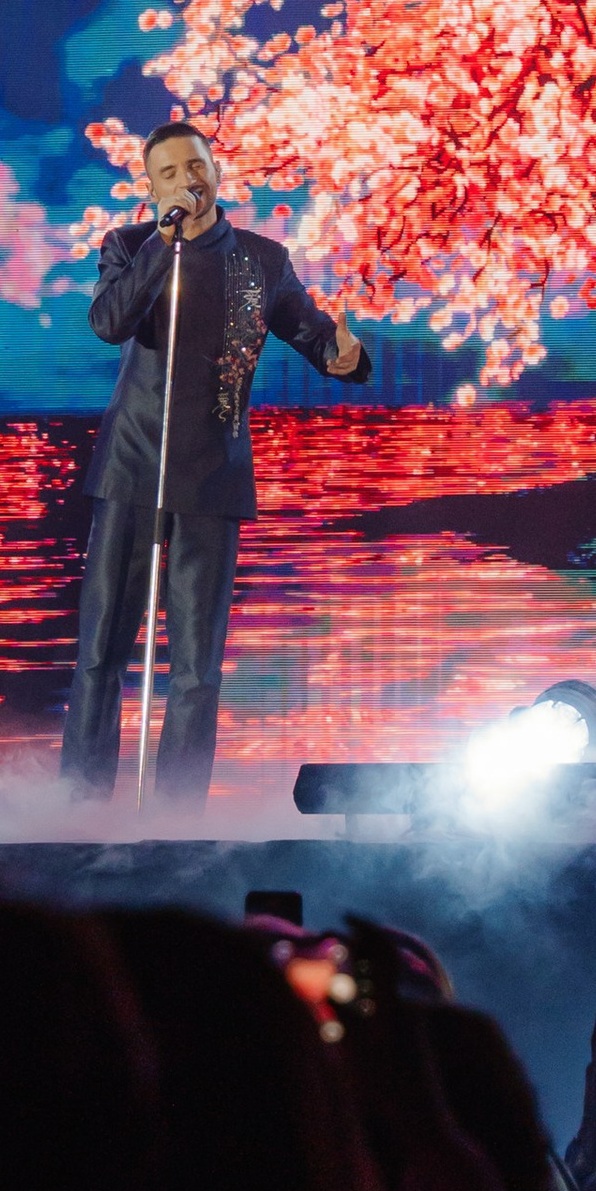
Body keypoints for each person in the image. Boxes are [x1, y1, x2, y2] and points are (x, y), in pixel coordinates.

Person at [59, 118, 369, 809]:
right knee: (101, 653)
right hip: (132, 469)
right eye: (169, 174)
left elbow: (314, 335)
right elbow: (109, 322)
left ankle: (177, 821)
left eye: (195, 167)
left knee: (197, 670)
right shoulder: (129, 246)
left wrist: (343, 356)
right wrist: (161, 243)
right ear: (152, 188)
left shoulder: (261, 260)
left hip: (212, 478)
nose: (187, 182)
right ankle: (79, 812)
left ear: (217, 172)